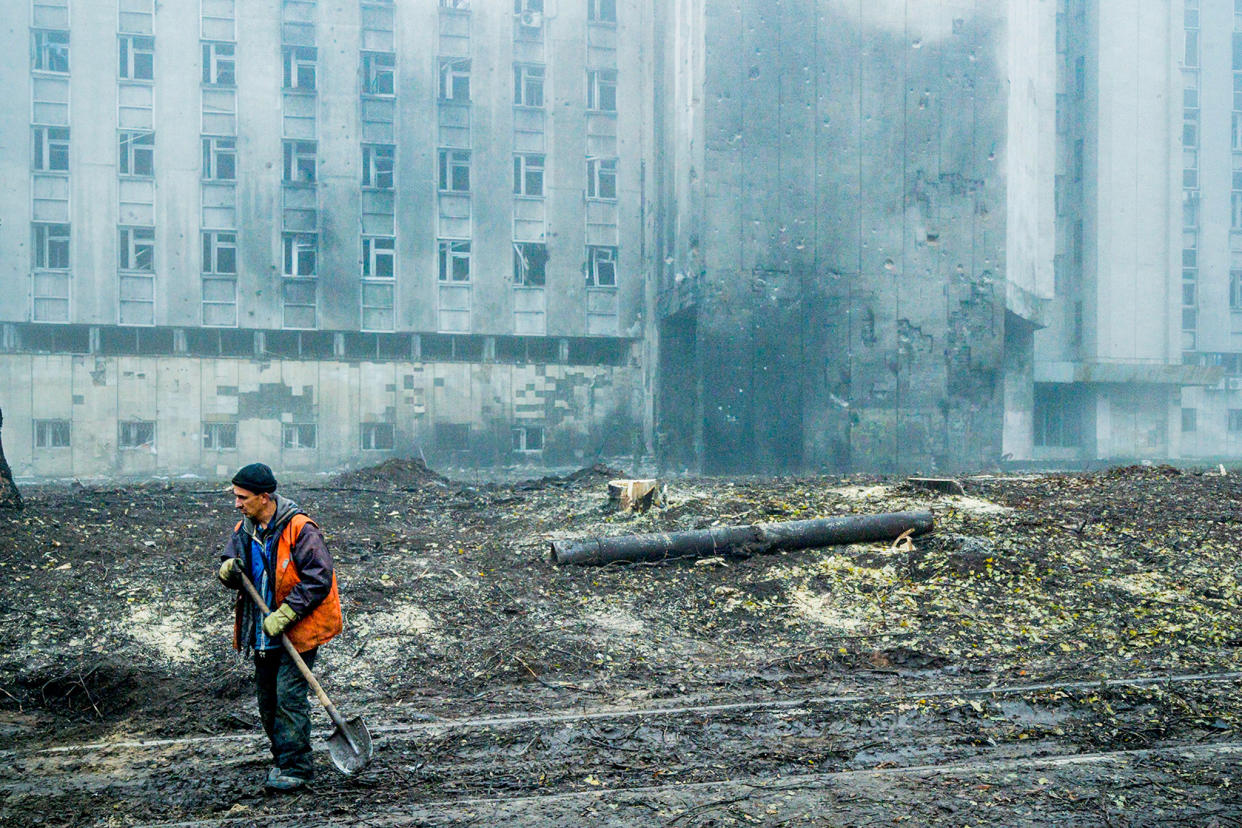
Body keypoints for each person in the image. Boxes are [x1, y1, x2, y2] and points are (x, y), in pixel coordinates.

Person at [217, 462, 342, 792]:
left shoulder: (300, 529)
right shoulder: (245, 530)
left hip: (297, 630)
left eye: (242, 497)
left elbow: (319, 577)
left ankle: (297, 767)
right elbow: (231, 565)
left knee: (289, 698)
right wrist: (226, 571)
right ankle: (283, 759)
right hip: (262, 631)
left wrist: (285, 614)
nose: (237, 503)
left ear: (264, 497)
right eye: (236, 496)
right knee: (268, 700)